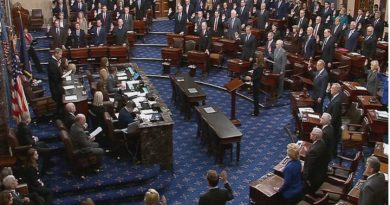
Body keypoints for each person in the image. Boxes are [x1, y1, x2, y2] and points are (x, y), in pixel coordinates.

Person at [302, 127, 328, 194]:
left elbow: (309, 166)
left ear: (315, 136)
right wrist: (308, 151)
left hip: (314, 177)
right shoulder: (322, 142)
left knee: (307, 190)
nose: (310, 134)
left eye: (312, 133)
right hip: (321, 171)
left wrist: (305, 177)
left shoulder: (313, 151)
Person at [325, 83, 342, 156]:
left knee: (333, 140)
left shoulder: (337, 102)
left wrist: (328, 124)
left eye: (332, 88)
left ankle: (333, 154)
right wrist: (327, 91)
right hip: (333, 123)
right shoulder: (335, 97)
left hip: (334, 125)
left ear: (337, 90)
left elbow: (334, 116)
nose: (330, 89)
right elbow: (331, 99)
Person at [47, 48, 63, 117]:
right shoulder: (52, 63)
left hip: (57, 86)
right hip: (55, 87)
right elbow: (54, 78)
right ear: (56, 54)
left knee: (60, 101)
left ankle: (59, 113)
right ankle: (58, 115)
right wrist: (62, 78)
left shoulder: (55, 61)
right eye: (60, 54)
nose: (61, 56)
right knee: (58, 101)